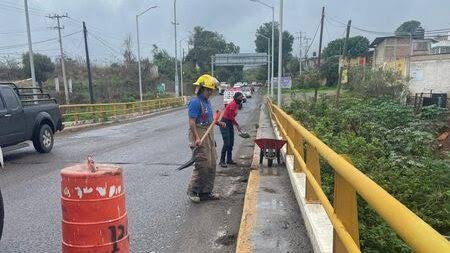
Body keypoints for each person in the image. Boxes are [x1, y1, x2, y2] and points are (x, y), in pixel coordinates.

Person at [187, 74, 226, 203]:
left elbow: (209, 119)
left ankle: (206, 192)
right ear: (201, 88)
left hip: (208, 133)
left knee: (212, 163)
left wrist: (218, 123)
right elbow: (192, 122)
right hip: (198, 133)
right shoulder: (195, 102)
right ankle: (193, 190)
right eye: (208, 90)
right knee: (202, 164)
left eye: (211, 90)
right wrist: (197, 138)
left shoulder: (207, 102)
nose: (210, 92)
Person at [219, 92, 244, 168]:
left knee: (231, 143)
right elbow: (230, 117)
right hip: (224, 123)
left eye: (242, 97)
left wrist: (235, 125)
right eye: (240, 97)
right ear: (236, 98)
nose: (241, 99)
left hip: (229, 123)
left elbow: (232, 118)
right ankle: (222, 161)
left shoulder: (237, 104)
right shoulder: (233, 104)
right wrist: (237, 125)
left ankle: (229, 159)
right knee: (227, 143)